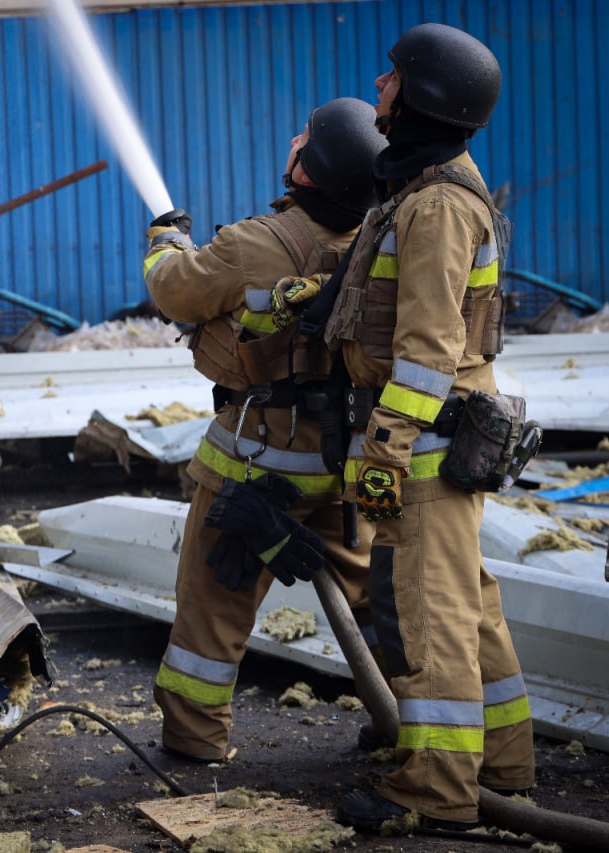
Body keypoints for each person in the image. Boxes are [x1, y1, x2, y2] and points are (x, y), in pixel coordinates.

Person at [323, 23, 536, 832]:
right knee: (467, 604)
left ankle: (438, 788)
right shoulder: (427, 186)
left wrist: (385, 445)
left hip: (425, 444)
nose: (380, 86)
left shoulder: (439, 205)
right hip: (441, 440)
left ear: (425, 97)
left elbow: (426, 351)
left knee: (430, 614)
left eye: (393, 77)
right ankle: (504, 763)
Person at [143, 97, 386, 763]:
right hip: (347, 463)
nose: (294, 139)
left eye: (305, 136)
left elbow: (175, 292)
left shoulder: (254, 243)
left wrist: (165, 242)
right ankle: (408, 730)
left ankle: (195, 741)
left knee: (213, 606)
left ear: (309, 169)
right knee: (375, 602)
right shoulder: (379, 242)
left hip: (257, 466)